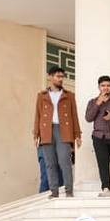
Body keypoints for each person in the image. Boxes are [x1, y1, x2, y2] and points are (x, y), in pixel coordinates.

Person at [34, 65, 81, 198]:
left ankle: (69, 191)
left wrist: (77, 135)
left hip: (63, 130)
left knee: (64, 161)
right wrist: (36, 134)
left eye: (62, 77)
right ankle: (54, 192)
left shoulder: (69, 95)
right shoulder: (41, 96)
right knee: (50, 163)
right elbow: (37, 115)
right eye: (58, 76)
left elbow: (74, 115)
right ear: (50, 77)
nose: (61, 79)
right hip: (46, 131)